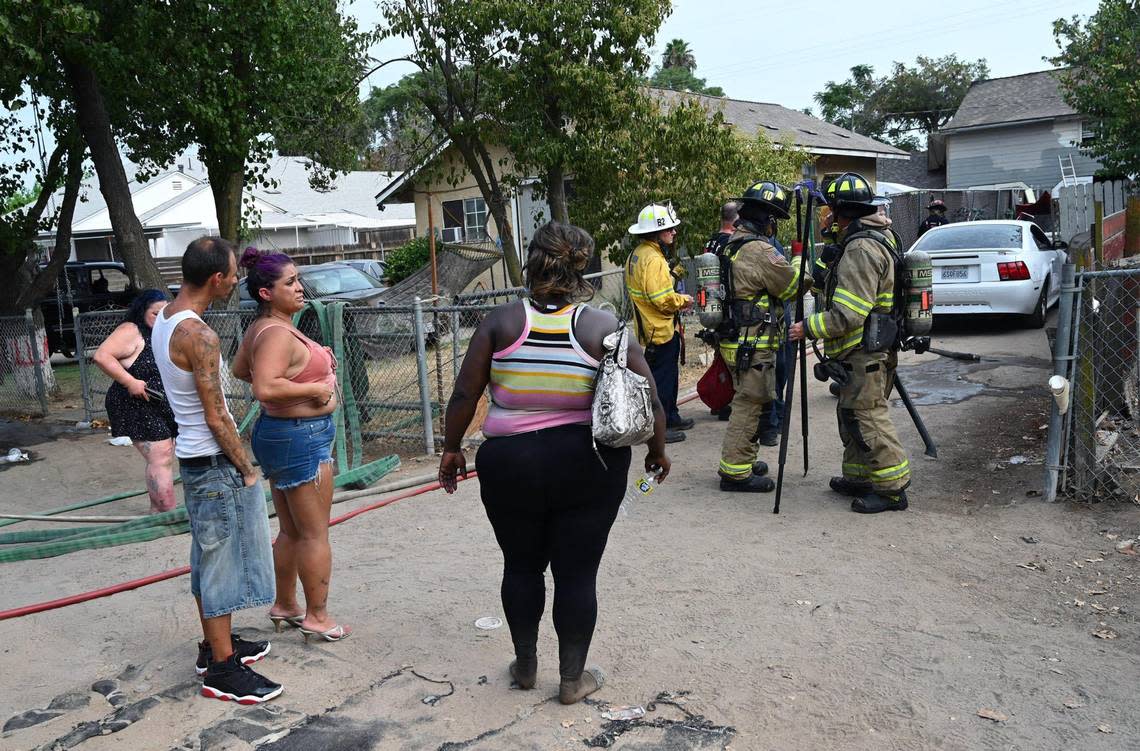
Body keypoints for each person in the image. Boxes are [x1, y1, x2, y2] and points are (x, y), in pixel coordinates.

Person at [438, 222, 672, 705]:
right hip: (588, 464)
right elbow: (649, 395)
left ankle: (525, 666)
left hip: (509, 464)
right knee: (577, 573)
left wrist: (451, 447)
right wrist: (656, 450)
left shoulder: (499, 322)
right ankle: (571, 679)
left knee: (520, 566)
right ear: (581, 266)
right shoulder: (602, 327)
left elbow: (465, 393)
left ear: (532, 262)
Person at [152, 237, 280, 703]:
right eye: (232, 274)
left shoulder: (166, 318)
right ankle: (222, 670)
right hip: (212, 461)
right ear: (216, 280)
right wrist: (246, 468)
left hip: (195, 459)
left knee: (209, 557)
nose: (237, 281)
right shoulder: (198, 335)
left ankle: (215, 647)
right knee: (221, 565)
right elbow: (216, 415)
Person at [231, 248, 350, 643]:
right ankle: (317, 615)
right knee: (315, 534)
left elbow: (240, 368)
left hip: (282, 434)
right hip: (301, 437)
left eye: (298, 280)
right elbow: (264, 385)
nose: (300, 288)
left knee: (290, 530)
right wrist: (317, 388)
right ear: (267, 293)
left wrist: (296, 384)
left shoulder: (264, 329)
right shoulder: (278, 333)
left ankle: (286, 604)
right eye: (290, 283)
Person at [789, 173, 911, 513]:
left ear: (842, 211)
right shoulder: (864, 239)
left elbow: (848, 314)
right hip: (859, 350)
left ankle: (892, 490)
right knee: (852, 416)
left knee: (868, 416)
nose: (824, 217)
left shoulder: (860, 249)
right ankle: (859, 477)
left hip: (863, 349)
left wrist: (806, 328)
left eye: (828, 210)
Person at [715, 182, 811, 493]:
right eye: (774, 222)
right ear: (766, 220)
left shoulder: (731, 245)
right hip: (753, 343)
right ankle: (735, 472)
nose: (774, 228)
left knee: (747, 400)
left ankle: (743, 459)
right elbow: (791, 286)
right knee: (749, 404)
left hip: (735, 340)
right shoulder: (759, 250)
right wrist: (798, 258)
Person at [94, 289, 179, 513]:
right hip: (134, 402)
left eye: (164, 314)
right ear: (142, 312)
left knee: (165, 455)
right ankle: (165, 511)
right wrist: (130, 381)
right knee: (160, 455)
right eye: (154, 313)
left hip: (159, 402)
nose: (160, 319)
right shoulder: (131, 330)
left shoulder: (162, 332)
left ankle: (158, 510)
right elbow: (102, 356)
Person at [624, 202, 694, 442]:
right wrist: (682, 300)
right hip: (660, 329)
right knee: (662, 381)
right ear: (656, 233)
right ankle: (660, 429)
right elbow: (661, 299)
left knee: (669, 375)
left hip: (652, 328)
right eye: (669, 229)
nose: (674, 233)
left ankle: (671, 415)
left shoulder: (637, 254)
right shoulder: (653, 259)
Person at [704, 201, 740, 421]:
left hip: (711, 306)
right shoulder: (731, 242)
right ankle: (727, 403)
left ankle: (718, 401)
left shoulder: (711, 241)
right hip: (728, 309)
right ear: (736, 220)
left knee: (720, 357)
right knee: (733, 361)